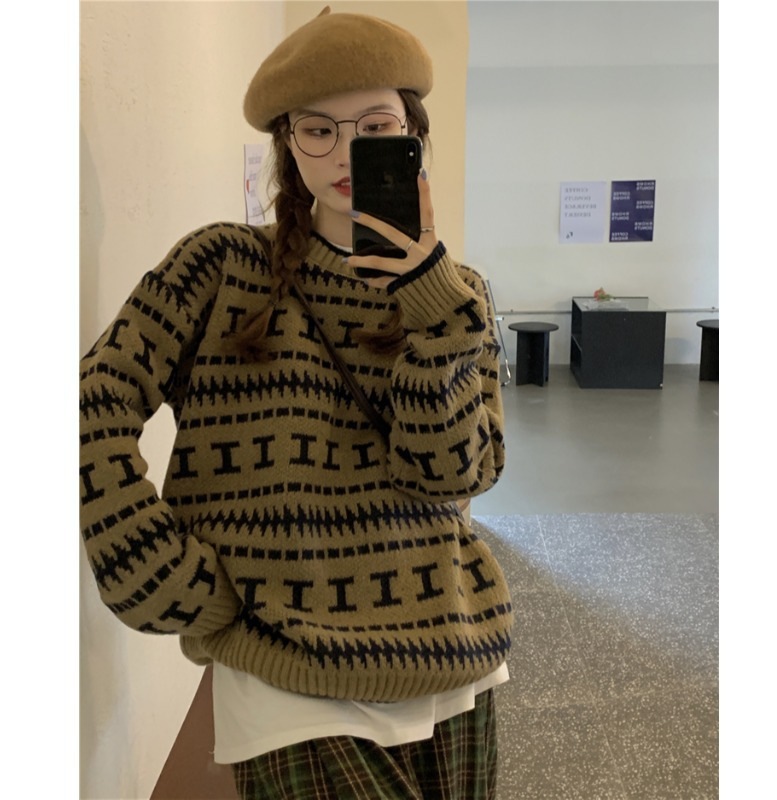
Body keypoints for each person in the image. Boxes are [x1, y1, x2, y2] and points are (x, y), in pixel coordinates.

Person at [79, 6, 513, 798]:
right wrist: (158, 571)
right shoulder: (219, 267)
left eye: (374, 126)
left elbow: (452, 476)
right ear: (287, 144)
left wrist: (431, 307)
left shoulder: (460, 295)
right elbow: (90, 404)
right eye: (318, 129)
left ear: (410, 135)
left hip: (451, 652)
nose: (346, 150)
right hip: (287, 666)